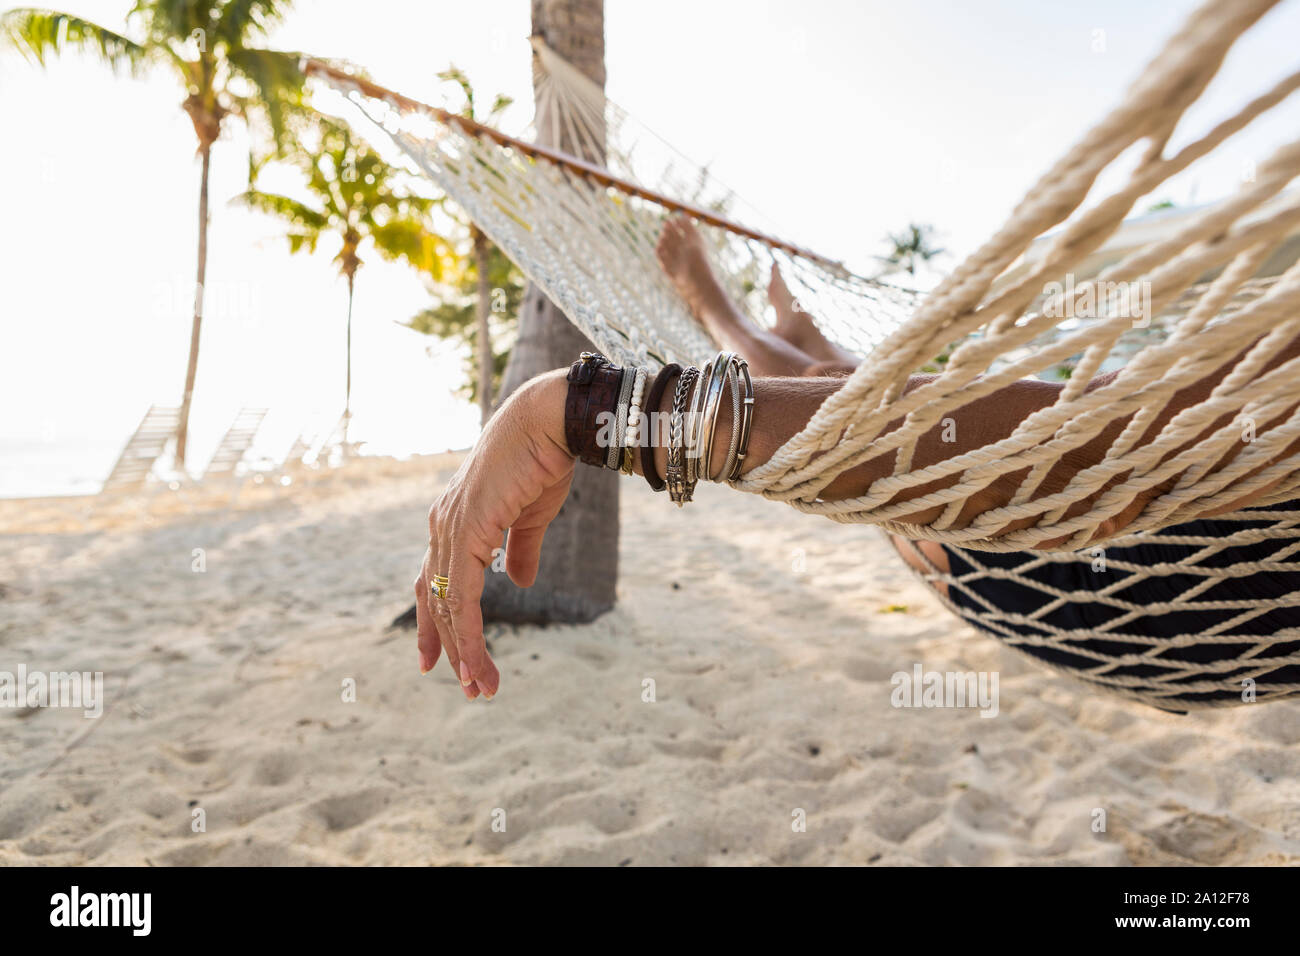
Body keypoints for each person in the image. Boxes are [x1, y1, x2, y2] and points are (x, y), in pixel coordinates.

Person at [416, 216, 1300, 707]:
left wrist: (591, 412)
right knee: (839, 385)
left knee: (840, 390)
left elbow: (1081, 446)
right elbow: (1111, 434)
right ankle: (772, 334)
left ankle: (740, 320)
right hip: (1101, 547)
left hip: (1036, 556)